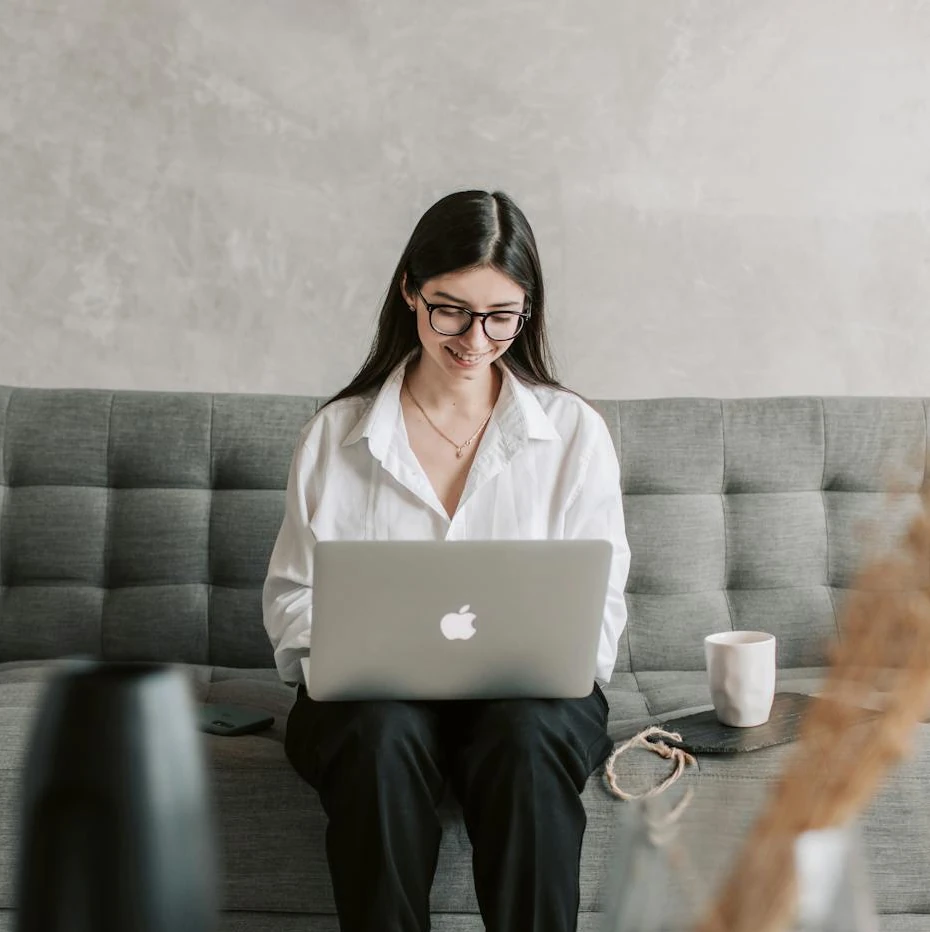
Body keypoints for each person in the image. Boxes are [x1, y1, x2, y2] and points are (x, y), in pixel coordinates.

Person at [262, 189, 631, 932]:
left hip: (529, 704)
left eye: (501, 316)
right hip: (371, 707)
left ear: (526, 310)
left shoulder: (572, 432)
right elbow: (293, 598)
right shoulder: (336, 435)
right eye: (451, 311)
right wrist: (352, 655)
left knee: (526, 740)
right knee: (377, 738)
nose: (475, 339)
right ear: (410, 291)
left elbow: (598, 608)